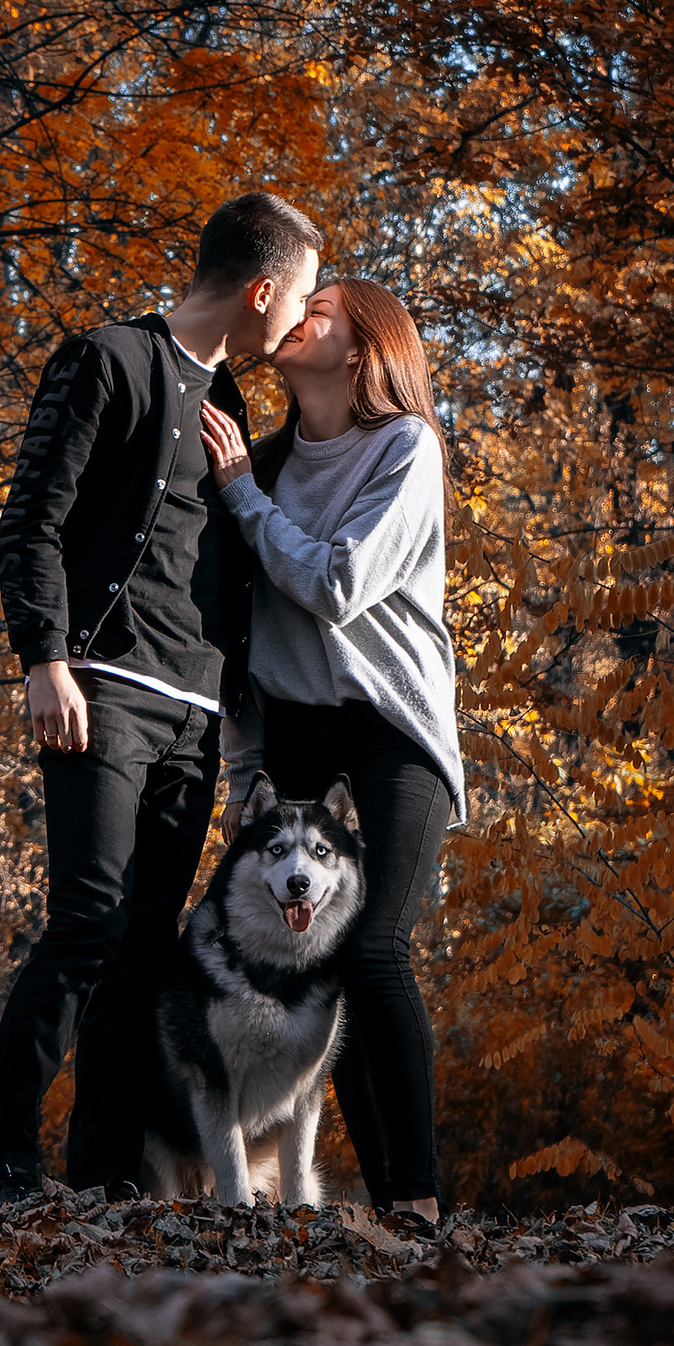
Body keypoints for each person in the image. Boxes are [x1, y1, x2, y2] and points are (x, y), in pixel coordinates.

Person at [0, 193, 325, 1201]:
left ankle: (104, 1178)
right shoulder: (108, 360)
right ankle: (0, 1160)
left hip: (195, 713)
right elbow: (30, 520)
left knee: (143, 950)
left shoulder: (235, 407)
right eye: (296, 298)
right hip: (104, 688)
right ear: (260, 290)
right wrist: (45, 659)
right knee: (87, 922)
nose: (297, 321)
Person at [199, 279, 463, 1226]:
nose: (297, 315)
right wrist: (246, 775)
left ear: (360, 350)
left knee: (374, 943)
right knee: (320, 963)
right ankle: (389, 1201)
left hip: (392, 729)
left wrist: (239, 496)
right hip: (298, 733)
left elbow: (339, 581)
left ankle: (420, 1198)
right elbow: (247, 644)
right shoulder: (262, 462)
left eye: (323, 309)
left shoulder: (407, 447)